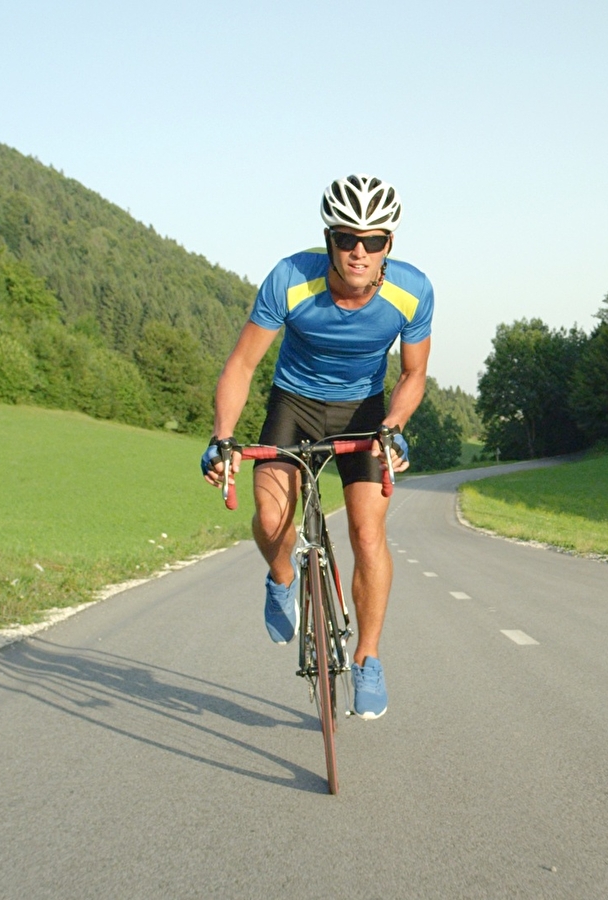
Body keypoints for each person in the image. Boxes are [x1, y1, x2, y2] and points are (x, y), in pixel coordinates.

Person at [200, 174, 433, 720]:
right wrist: (221, 438)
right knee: (270, 514)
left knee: (367, 533)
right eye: (347, 238)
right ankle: (282, 577)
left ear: (388, 246)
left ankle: (368, 660)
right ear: (328, 239)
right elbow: (242, 364)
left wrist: (394, 424)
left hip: (364, 412)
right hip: (294, 403)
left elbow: (414, 373)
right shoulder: (289, 279)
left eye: (373, 240)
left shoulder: (413, 290)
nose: (359, 251)